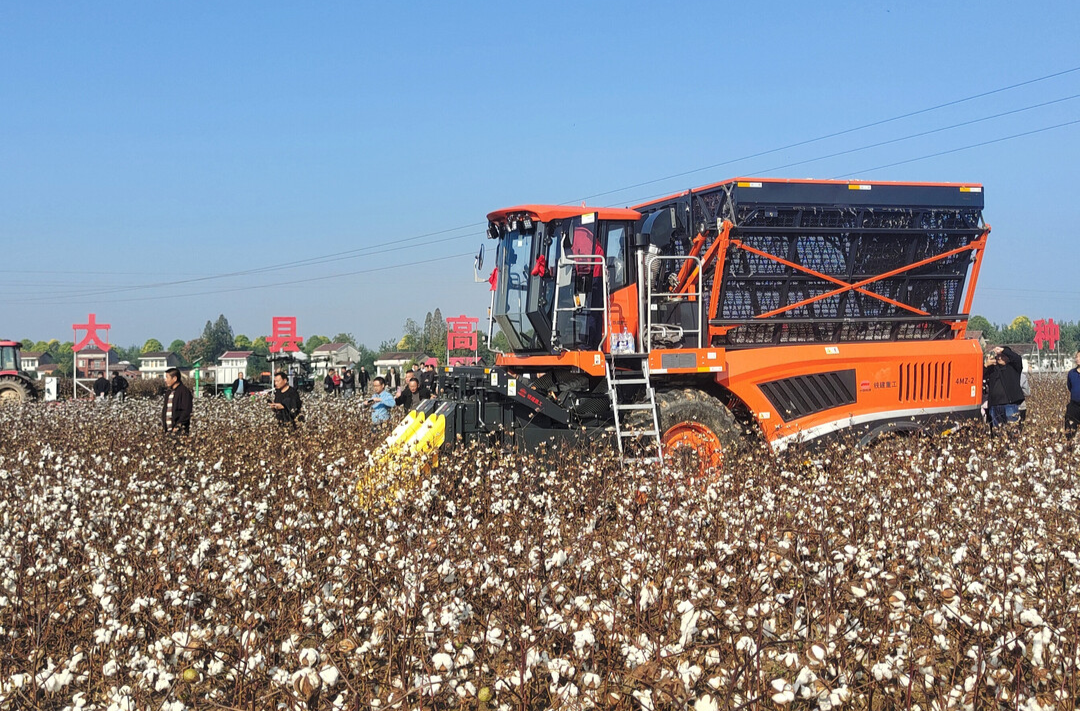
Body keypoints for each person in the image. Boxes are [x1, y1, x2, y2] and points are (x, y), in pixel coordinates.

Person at [983, 345, 1024, 433]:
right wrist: (986, 365)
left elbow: (1017, 358)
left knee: (1012, 431)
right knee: (997, 432)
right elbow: (979, 376)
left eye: (1002, 356)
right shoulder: (992, 369)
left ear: (1008, 358)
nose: (999, 358)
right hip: (994, 406)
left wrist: (1003, 350)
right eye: (998, 356)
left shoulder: (1013, 368)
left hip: (1010, 405)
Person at [161, 368, 193, 435]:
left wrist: (178, 426)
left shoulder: (184, 392)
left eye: (167, 377)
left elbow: (186, 411)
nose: (165, 380)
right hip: (168, 431)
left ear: (174, 378)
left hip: (179, 431)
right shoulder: (168, 392)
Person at [1066, 349, 1080, 443]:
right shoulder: (1071, 373)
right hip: (1074, 405)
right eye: (1076, 357)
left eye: (1079, 357)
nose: (1077, 359)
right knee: (1071, 428)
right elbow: (1070, 387)